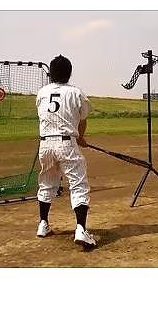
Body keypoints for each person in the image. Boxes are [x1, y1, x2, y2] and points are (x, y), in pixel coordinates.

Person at [35, 54, 96, 248]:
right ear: (69, 73)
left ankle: (43, 224)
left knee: (47, 183)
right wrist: (80, 137)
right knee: (78, 184)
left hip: (45, 144)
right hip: (67, 143)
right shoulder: (76, 93)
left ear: (51, 74)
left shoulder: (42, 93)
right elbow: (82, 119)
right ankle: (81, 229)